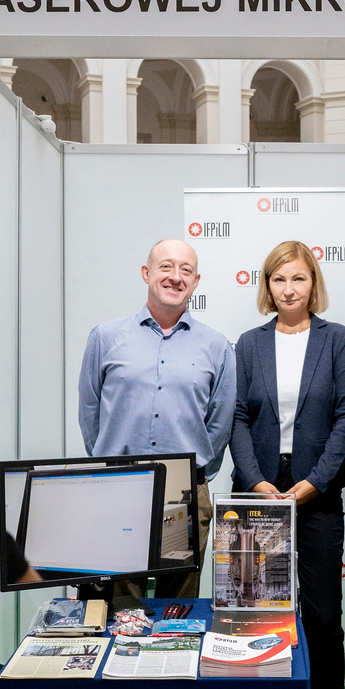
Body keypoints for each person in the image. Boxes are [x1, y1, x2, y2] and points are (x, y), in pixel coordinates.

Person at [231, 241, 345, 689]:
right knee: (255, 616)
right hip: (259, 492)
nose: (289, 289)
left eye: (299, 279)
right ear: (268, 285)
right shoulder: (248, 343)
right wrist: (257, 481)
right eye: (279, 279)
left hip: (319, 495)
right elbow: (236, 416)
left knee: (324, 621)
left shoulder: (337, 339)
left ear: (313, 284)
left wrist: (315, 482)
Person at [78, 238, 235, 599]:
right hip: (118, 486)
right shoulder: (106, 337)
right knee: (119, 605)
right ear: (146, 273)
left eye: (186, 270)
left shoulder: (217, 346)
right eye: (166, 266)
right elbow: (89, 411)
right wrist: (110, 463)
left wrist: (195, 473)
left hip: (186, 492)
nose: (175, 276)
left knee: (179, 609)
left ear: (196, 281)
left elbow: (220, 422)